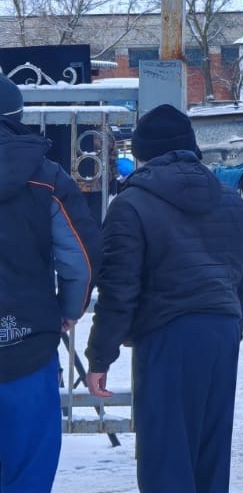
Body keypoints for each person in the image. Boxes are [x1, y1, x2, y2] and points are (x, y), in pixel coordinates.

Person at [85, 103, 243, 493]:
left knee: (165, 457)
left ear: (141, 152)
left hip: (166, 336)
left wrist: (101, 357)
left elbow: (118, 291)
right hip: (221, 333)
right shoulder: (229, 198)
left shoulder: (130, 204)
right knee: (210, 453)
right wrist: (227, 323)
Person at [0, 75, 100, 493]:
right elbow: (80, 259)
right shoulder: (46, 177)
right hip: (27, 345)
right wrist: (68, 311)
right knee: (28, 477)